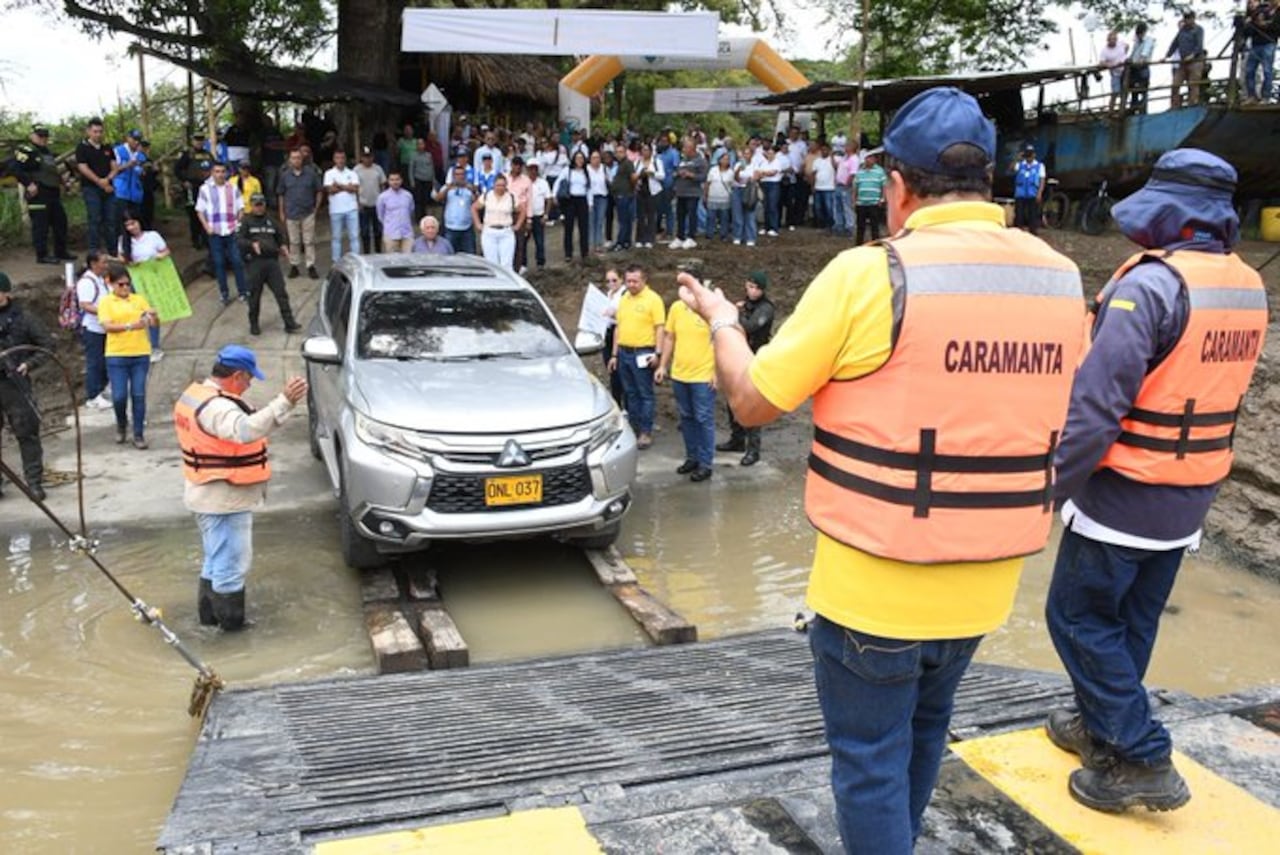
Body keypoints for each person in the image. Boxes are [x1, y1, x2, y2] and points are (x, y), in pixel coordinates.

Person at [675, 87, 1085, 852]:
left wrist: (724, 321)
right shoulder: (1059, 278)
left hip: (875, 583)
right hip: (986, 579)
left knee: (867, 760)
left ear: (896, 186)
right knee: (924, 733)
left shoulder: (868, 274)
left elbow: (753, 399)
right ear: (990, 178)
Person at [1043, 150, 1265, 814]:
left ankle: (1140, 753)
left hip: (1124, 491)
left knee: (1077, 617)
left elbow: (1095, 409)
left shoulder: (1151, 286)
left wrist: (1046, 492)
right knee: (1132, 621)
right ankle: (1099, 728)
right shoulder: (1246, 282)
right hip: (1192, 489)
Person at [175, 345, 308, 630]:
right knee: (231, 567)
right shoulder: (218, 406)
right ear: (237, 375)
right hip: (223, 498)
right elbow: (244, 431)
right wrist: (283, 401)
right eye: (249, 380)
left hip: (205, 493)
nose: (248, 386)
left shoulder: (196, 394)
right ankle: (232, 635)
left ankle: (209, 624)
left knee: (214, 561)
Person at [0, 272, 54, 501]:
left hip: (15, 383)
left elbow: (47, 345)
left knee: (27, 432)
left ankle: (33, 481)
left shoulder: (23, 317)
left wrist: (28, 364)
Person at [716, 271, 774, 466]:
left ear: (761, 289)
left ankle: (753, 449)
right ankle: (737, 438)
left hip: (756, 358)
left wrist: (737, 313)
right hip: (739, 356)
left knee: (751, 403)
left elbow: (750, 326)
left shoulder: (766, 308)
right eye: (748, 286)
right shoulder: (746, 304)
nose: (749, 291)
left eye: (753, 287)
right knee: (733, 399)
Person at [656, 294, 716, 482]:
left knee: (703, 419)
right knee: (687, 417)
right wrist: (663, 365)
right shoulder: (676, 307)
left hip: (703, 375)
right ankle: (692, 457)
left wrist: (716, 371)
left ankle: (705, 463)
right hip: (680, 374)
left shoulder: (709, 308)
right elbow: (670, 338)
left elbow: (719, 341)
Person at [97, 262, 156, 449]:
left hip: (140, 352)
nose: (125, 288)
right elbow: (107, 326)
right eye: (120, 284)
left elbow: (153, 323)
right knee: (119, 395)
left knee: (138, 394)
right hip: (117, 354)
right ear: (112, 284)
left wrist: (152, 316)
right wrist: (131, 326)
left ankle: (138, 433)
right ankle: (121, 424)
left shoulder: (138, 300)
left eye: (127, 284)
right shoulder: (106, 302)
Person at [607, 263, 665, 449]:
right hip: (624, 352)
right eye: (628, 281)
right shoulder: (624, 299)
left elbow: (660, 328)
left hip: (643, 352)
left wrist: (658, 353)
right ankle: (634, 427)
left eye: (635, 281)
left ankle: (645, 431)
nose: (631, 284)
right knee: (630, 393)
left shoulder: (653, 299)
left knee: (644, 394)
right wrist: (614, 355)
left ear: (644, 280)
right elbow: (618, 327)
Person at [237, 193, 301, 337]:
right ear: (251, 205)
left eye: (261, 204)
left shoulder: (271, 220)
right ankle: (254, 324)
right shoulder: (246, 221)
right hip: (255, 262)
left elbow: (281, 236)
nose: (259, 208)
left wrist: (284, 246)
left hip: (272, 262)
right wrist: (251, 244)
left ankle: (289, 323)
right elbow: (239, 240)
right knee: (254, 295)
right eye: (256, 205)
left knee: (281, 293)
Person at [12, 124, 72, 264]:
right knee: (41, 225)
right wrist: (29, 184)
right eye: (40, 136)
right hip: (38, 192)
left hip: (53, 192)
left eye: (45, 136)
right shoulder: (26, 151)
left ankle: (61, 251)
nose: (43, 139)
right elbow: (16, 169)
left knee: (60, 222)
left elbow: (54, 171)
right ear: (32, 136)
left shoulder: (48, 152)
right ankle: (42, 255)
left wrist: (64, 183)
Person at [117, 212, 169, 362]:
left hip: (153, 278)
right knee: (134, 314)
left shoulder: (152, 236)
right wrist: (129, 262)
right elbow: (121, 257)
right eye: (127, 225)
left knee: (152, 313)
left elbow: (165, 250)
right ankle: (137, 345)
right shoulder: (123, 241)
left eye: (133, 223)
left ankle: (154, 345)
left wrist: (159, 256)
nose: (131, 227)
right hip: (134, 280)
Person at [196, 162, 250, 305]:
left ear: (226, 173)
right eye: (217, 171)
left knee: (237, 261)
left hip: (231, 230)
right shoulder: (204, 189)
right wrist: (207, 227)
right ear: (212, 173)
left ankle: (243, 291)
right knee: (219, 263)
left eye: (222, 171)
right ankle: (224, 293)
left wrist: (238, 224)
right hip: (215, 231)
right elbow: (200, 210)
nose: (220, 174)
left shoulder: (232, 188)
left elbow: (241, 208)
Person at [276, 148, 323, 280]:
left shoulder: (311, 174)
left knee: (309, 241)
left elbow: (319, 191)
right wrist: (281, 211)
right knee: (294, 241)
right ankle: (294, 266)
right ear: (289, 160)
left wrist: (316, 208)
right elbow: (280, 194)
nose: (296, 160)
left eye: (298, 158)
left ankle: (310, 266)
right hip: (291, 213)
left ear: (302, 159)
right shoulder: (285, 175)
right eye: (293, 158)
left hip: (308, 212)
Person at [75, 251, 112, 410]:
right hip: (93, 328)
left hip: (104, 327)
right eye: (103, 262)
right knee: (94, 362)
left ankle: (102, 390)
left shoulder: (101, 280)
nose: (106, 265)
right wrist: (105, 314)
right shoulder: (86, 282)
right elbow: (85, 304)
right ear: (94, 264)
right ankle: (93, 395)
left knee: (104, 361)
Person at [75, 118, 117, 253]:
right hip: (91, 188)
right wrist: (99, 181)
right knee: (95, 219)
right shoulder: (82, 148)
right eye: (95, 131)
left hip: (109, 188)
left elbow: (115, 167)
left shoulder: (107, 148)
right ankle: (94, 251)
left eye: (100, 131)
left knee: (111, 220)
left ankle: (113, 250)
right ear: (88, 131)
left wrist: (108, 179)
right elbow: (83, 168)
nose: (98, 134)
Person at [473, 174, 523, 269]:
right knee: (492, 264)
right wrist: (478, 224)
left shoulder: (511, 197)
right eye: (498, 185)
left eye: (503, 185)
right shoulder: (487, 195)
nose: (500, 188)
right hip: (489, 232)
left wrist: (518, 225)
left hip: (506, 232)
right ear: (493, 185)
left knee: (507, 263)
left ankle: (506, 283)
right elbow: (474, 207)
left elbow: (522, 210)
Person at [670, 139, 708, 249]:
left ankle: (691, 237)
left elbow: (703, 177)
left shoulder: (700, 161)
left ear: (692, 148)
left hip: (693, 193)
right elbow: (676, 171)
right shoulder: (682, 160)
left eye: (685, 147)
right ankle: (679, 237)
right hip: (681, 192)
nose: (683, 149)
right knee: (680, 215)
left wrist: (691, 175)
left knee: (692, 215)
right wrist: (677, 173)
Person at [324, 150, 361, 263]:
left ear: (345, 159)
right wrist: (347, 187)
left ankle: (356, 261)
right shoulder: (329, 173)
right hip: (335, 210)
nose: (340, 160)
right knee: (336, 237)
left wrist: (339, 185)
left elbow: (355, 189)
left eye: (342, 158)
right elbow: (330, 190)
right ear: (334, 159)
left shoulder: (352, 173)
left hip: (351, 209)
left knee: (354, 236)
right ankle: (336, 261)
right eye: (337, 158)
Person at [176, 134, 212, 249]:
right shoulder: (187, 154)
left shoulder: (208, 154)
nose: (199, 142)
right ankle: (195, 240)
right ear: (192, 141)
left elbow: (214, 167)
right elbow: (177, 169)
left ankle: (206, 239)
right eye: (197, 140)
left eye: (201, 140)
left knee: (206, 213)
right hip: (192, 186)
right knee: (194, 214)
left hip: (206, 187)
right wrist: (184, 180)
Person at [557, 151, 592, 262]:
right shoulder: (567, 171)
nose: (579, 160)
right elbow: (559, 182)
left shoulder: (586, 171)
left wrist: (590, 203)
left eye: (581, 158)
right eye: (577, 158)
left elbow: (589, 188)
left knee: (584, 227)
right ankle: (568, 253)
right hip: (570, 200)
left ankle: (584, 252)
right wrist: (554, 196)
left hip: (582, 200)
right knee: (569, 227)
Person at [1166, 11, 1206, 109]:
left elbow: (1199, 45)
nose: (1187, 20)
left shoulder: (1198, 30)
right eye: (1186, 18)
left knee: (1193, 83)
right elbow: (1175, 43)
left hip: (1195, 61)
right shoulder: (1182, 30)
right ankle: (1174, 105)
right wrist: (1167, 55)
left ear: (1193, 19)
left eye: (1189, 18)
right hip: (1183, 61)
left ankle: (1193, 104)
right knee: (1175, 84)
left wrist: (1192, 55)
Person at [434, 165, 477, 255]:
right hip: (450, 227)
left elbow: (477, 202)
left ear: (465, 175)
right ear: (453, 176)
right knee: (448, 254)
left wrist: (472, 190)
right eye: (457, 174)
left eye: (462, 174)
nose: (459, 176)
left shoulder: (469, 188)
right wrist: (448, 189)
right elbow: (438, 198)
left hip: (467, 227)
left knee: (470, 254)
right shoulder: (447, 187)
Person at [1244, 0, 1279, 103]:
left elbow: (1276, 28)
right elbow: (1250, 28)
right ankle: (1251, 96)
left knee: (1267, 71)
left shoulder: (1277, 13)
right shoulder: (1260, 10)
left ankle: (1266, 96)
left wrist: (1262, 24)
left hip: (1269, 43)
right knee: (1249, 70)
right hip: (1256, 44)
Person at [599, 268, 625, 406]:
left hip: (619, 330)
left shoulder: (624, 294)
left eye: (614, 280)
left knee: (619, 370)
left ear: (621, 279)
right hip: (607, 332)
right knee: (611, 369)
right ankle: (617, 403)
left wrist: (612, 314)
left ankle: (624, 405)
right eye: (608, 281)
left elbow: (624, 316)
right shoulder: (609, 294)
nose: (611, 283)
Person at [354, 147, 387, 254]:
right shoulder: (356, 170)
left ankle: (378, 252)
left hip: (376, 205)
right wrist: (357, 202)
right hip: (363, 204)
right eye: (365, 157)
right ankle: (367, 254)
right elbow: (354, 188)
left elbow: (382, 185)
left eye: (369, 157)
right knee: (364, 232)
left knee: (378, 231)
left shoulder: (378, 169)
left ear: (372, 157)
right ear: (361, 158)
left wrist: (382, 202)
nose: (367, 159)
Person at [635, 143, 665, 248]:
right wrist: (639, 176)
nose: (645, 152)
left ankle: (650, 239)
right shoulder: (637, 162)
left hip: (653, 191)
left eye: (647, 150)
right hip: (640, 191)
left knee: (651, 215)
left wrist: (652, 173)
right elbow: (633, 175)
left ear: (651, 152)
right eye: (643, 150)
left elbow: (662, 175)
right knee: (640, 216)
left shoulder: (657, 162)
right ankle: (639, 238)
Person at [853, 152, 887, 244]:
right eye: (867, 158)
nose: (869, 160)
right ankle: (859, 244)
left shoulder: (880, 171)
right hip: (861, 203)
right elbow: (855, 186)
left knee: (874, 226)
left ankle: (876, 243)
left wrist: (882, 199)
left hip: (874, 203)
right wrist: (854, 200)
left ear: (875, 160)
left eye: (871, 158)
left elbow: (884, 186)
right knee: (860, 226)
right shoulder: (860, 171)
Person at [1011, 144, 1045, 235]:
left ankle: (1033, 233)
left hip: (1032, 193)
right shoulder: (1020, 165)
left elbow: (1042, 180)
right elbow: (1011, 168)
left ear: (1034, 155)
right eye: (1027, 155)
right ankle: (1018, 233)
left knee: (1033, 215)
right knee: (1019, 215)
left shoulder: (1039, 166)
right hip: (1020, 194)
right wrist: (1017, 158)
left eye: (1030, 155)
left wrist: (1039, 193)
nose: (1029, 157)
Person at [704, 152, 735, 243]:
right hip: (712, 197)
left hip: (725, 198)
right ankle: (709, 234)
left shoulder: (731, 172)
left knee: (724, 218)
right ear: (719, 160)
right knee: (710, 217)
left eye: (727, 159)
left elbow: (732, 185)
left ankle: (723, 235)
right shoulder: (713, 170)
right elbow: (708, 183)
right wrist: (705, 195)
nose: (725, 161)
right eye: (724, 159)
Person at [1127, 23, 1156, 114]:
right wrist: (1130, 59)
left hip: (1143, 68)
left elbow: (1144, 54)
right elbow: (1133, 53)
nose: (1139, 35)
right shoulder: (1136, 41)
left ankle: (1143, 111)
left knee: (1143, 90)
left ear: (1144, 32)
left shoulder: (1148, 40)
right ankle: (1132, 110)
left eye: (1140, 33)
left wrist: (1140, 60)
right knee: (1133, 90)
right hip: (1134, 68)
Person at [1099, 30, 1130, 115]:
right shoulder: (1105, 50)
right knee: (1115, 92)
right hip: (1115, 73)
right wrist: (1111, 65)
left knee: (1125, 91)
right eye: (1112, 39)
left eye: (1115, 39)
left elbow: (1127, 46)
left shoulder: (1120, 44)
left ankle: (1121, 110)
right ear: (1108, 40)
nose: (1114, 41)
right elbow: (1101, 62)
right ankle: (1111, 111)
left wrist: (1124, 56)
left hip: (1125, 70)